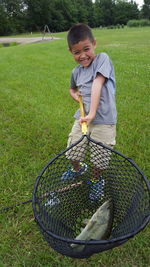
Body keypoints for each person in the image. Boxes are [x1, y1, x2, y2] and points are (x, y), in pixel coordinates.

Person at [45, 24, 117, 207]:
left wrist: (92, 114)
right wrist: (74, 95)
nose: (83, 55)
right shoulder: (75, 72)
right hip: (83, 118)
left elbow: (97, 85)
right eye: (77, 52)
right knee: (72, 150)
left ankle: (96, 180)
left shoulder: (102, 59)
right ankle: (78, 169)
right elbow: (72, 88)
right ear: (70, 52)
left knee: (99, 157)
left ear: (94, 44)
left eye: (86, 49)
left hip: (103, 121)